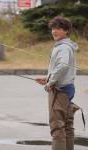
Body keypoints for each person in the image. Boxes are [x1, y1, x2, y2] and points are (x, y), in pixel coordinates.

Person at [35, 16, 79, 150]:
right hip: (66, 88)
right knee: (67, 125)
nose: (54, 31)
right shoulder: (66, 45)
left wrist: (51, 82)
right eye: (53, 28)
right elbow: (61, 68)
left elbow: (62, 66)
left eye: (58, 29)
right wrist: (48, 78)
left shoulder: (63, 47)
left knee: (57, 126)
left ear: (66, 31)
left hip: (60, 90)